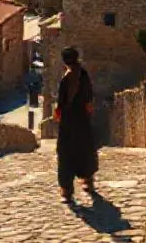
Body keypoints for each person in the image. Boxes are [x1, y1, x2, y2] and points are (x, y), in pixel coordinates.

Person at [53, 46, 98, 203]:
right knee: (85, 150)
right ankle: (88, 182)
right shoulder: (84, 75)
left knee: (66, 154)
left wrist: (58, 116)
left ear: (64, 61)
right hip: (83, 121)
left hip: (68, 123)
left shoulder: (66, 79)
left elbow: (60, 104)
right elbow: (89, 99)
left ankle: (66, 191)